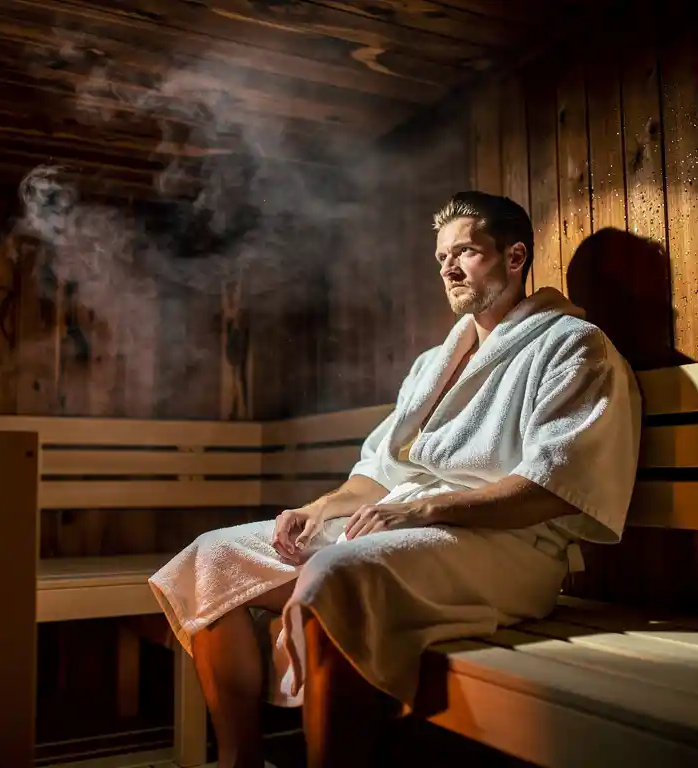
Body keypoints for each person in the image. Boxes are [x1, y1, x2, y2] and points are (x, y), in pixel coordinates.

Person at [149, 191, 643, 768]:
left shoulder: (572, 346)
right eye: (441, 258)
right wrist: (321, 507)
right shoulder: (434, 362)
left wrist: (420, 512)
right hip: (408, 528)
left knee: (334, 575)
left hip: (508, 548)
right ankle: (240, 761)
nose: (449, 268)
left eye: (466, 252)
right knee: (214, 555)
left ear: (514, 258)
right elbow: (382, 471)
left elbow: (551, 486)